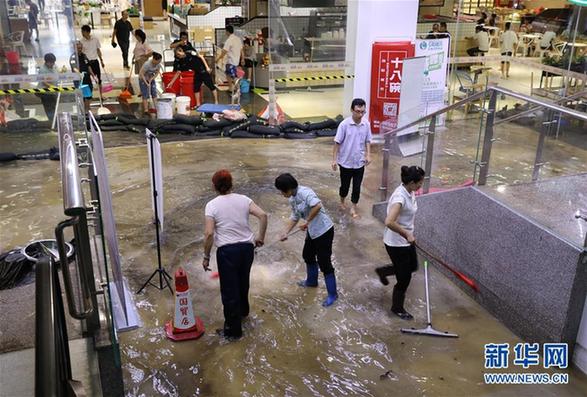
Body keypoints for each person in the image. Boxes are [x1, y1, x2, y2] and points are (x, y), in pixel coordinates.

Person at [203, 169, 268, 340]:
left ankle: (233, 332)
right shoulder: (244, 200)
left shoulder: (212, 205)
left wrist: (206, 256)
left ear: (214, 186)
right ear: (231, 184)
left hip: (227, 252)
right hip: (247, 249)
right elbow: (263, 215)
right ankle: (243, 314)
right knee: (242, 282)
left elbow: (209, 234)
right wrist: (260, 237)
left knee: (229, 290)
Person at [275, 173, 338, 307]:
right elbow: (295, 217)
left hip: (324, 231)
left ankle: (333, 294)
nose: (281, 193)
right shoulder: (292, 199)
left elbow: (317, 206)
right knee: (308, 255)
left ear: (288, 188)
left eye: (281, 191)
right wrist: (285, 232)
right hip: (313, 232)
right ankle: (311, 281)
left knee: (324, 263)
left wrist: (307, 221)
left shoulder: (305, 192)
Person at [375, 166, 425, 320]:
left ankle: (383, 271)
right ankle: (397, 308)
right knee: (404, 279)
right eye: (419, 183)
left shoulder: (409, 191)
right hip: (396, 243)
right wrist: (406, 233)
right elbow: (389, 221)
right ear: (411, 182)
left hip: (405, 240)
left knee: (412, 266)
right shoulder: (400, 198)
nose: (420, 186)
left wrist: (408, 234)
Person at [332, 98, 372, 219]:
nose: (360, 114)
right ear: (352, 110)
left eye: (363, 112)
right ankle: (342, 201)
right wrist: (334, 160)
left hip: (359, 162)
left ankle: (353, 207)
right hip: (345, 162)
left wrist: (368, 155)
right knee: (344, 186)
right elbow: (337, 143)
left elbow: (368, 140)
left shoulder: (366, 124)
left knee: (357, 187)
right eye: (358, 111)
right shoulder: (344, 125)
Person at [216, 26, 243, 92]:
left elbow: (224, 51)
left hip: (231, 61)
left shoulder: (229, 40)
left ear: (227, 31)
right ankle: (236, 87)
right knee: (234, 74)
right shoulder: (238, 39)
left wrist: (218, 58)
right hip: (237, 60)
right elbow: (241, 50)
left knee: (229, 75)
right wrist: (243, 59)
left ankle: (232, 88)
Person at [69, 41, 94, 110]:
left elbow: (88, 66)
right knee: (81, 96)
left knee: (89, 95)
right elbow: (74, 68)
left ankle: (88, 108)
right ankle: (83, 111)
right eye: (78, 48)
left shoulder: (84, 55)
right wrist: (79, 74)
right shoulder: (73, 57)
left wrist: (93, 76)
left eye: (80, 48)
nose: (80, 50)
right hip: (79, 80)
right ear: (74, 48)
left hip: (87, 79)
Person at [37, 53, 58, 122]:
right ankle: (52, 122)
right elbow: (44, 82)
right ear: (47, 62)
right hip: (45, 93)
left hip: (53, 92)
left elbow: (55, 72)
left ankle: (55, 120)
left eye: (53, 62)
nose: (53, 64)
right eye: (51, 63)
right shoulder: (42, 70)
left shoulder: (53, 66)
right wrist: (52, 87)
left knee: (54, 107)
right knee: (49, 108)